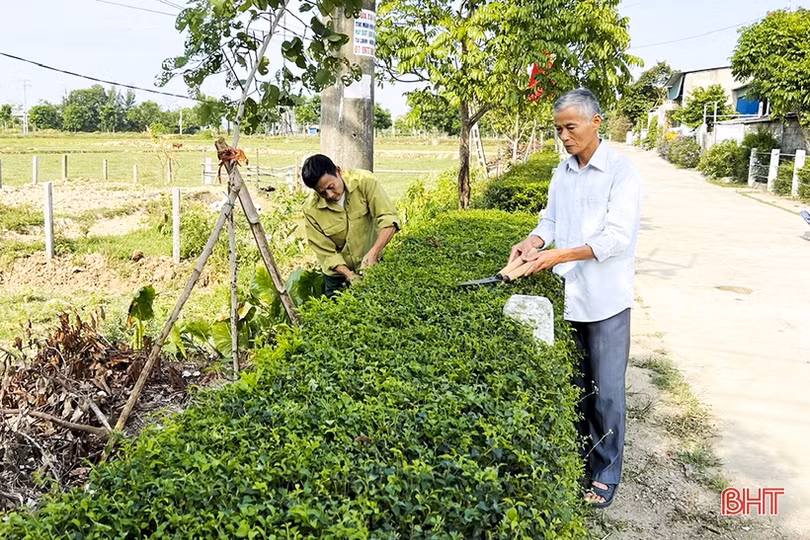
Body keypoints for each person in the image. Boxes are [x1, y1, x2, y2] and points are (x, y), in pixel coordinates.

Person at [508, 88, 642, 508]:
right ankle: (584, 457)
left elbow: (617, 237)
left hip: (605, 299)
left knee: (607, 391)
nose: (564, 136)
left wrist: (559, 255)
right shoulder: (561, 172)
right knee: (579, 384)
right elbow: (549, 218)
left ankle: (606, 472)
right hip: (570, 295)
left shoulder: (621, 172)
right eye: (559, 129)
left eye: (570, 127)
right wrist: (531, 243)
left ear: (595, 122)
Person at [301, 154, 400, 297]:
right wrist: (350, 275)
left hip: (373, 262)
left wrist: (374, 252)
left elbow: (389, 218)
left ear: (338, 171)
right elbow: (326, 253)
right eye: (322, 192)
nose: (329, 195)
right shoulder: (311, 209)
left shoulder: (365, 181)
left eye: (331, 187)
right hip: (336, 275)